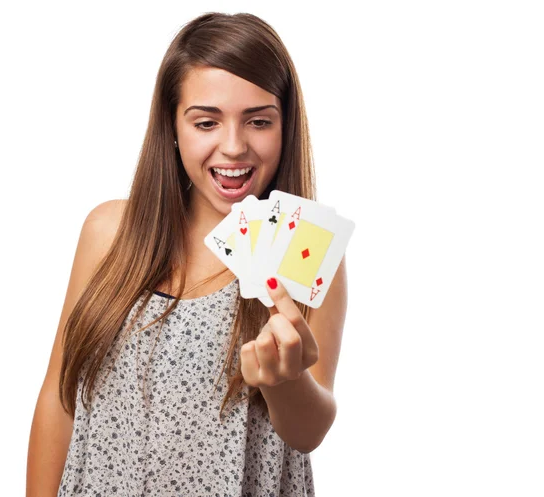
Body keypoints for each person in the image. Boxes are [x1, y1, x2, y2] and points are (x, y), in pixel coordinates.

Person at [26, 11, 348, 496]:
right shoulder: (108, 233)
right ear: (172, 125)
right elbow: (59, 398)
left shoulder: (303, 252)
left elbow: (309, 431)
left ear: (285, 127)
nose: (234, 146)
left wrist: (284, 382)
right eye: (206, 122)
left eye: (259, 121)